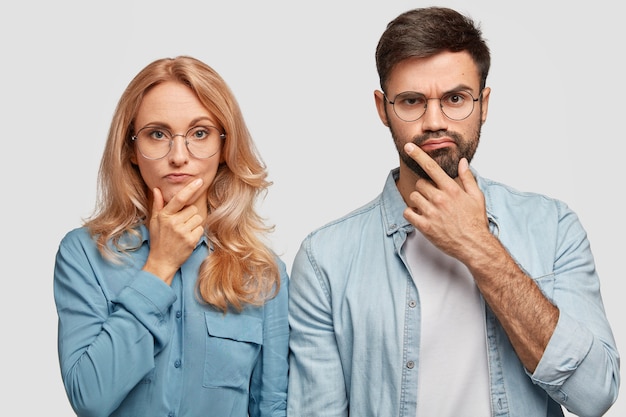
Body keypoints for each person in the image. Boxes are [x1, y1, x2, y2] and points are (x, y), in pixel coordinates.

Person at [287, 7, 620, 417]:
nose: (434, 122)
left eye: (456, 99)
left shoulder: (553, 228)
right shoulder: (325, 260)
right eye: (411, 101)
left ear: (484, 103)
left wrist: (478, 246)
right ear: (382, 107)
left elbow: (595, 393)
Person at [53, 56, 288, 417]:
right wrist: (159, 265)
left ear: (225, 146)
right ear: (132, 148)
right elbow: (90, 397)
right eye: (157, 134)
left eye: (199, 133)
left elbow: (271, 407)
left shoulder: (262, 272)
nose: (179, 156)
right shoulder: (83, 254)